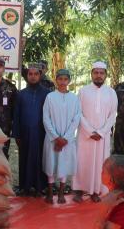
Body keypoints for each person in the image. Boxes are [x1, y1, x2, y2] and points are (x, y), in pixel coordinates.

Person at [73, 61, 118, 203]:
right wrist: (90, 131)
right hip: (85, 136)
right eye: (96, 72)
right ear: (91, 74)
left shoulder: (111, 93)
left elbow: (113, 115)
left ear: (105, 75)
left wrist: (102, 132)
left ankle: (96, 191)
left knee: (100, 164)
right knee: (82, 162)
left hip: (102, 137)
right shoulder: (83, 91)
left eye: (101, 73)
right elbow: (78, 113)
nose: (98, 75)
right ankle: (79, 190)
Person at [42, 69, 81, 204]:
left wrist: (65, 138)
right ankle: (50, 193)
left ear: (69, 81)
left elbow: (76, 119)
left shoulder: (74, 98)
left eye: (65, 79)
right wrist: (56, 138)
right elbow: (46, 118)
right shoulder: (50, 97)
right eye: (60, 79)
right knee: (51, 165)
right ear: (56, 80)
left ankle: (60, 193)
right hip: (52, 138)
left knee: (64, 164)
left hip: (68, 140)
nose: (63, 82)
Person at [12, 63, 50, 196]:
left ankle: (40, 186)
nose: (33, 77)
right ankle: (24, 186)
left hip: (41, 133)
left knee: (40, 158)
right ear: (27, 76)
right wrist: (16, 134)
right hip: (24, 133)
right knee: (24, 158)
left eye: (36, 74)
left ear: (40, 75)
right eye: (30, 74)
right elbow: (16, 115)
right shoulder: (21, 94)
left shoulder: (47, 93)